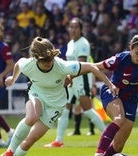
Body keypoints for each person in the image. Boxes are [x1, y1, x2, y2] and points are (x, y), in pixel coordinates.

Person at [0, 36, 118, 156]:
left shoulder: (62, 65)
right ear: (35, 58)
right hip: (36, 93)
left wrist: (110, 85)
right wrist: (13, 79)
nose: (49, 62)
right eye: (44, 60)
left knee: (29, 141)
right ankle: (9, 151)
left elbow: (91, 67)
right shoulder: (28, 64)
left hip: (56, 105)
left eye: (50, 59)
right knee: (32, 117)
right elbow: (18, 64)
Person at [44, 17, 106, 149]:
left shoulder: (83, 43)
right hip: (72, 80)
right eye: (71, 27)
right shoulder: (71, 42)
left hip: (81, 81)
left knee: (88, 110)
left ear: (81, 29)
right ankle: (59, 140)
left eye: (75, 27)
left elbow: (80, 64)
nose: (72, 29)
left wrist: (70, 77)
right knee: (64, 110)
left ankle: (107, 136)